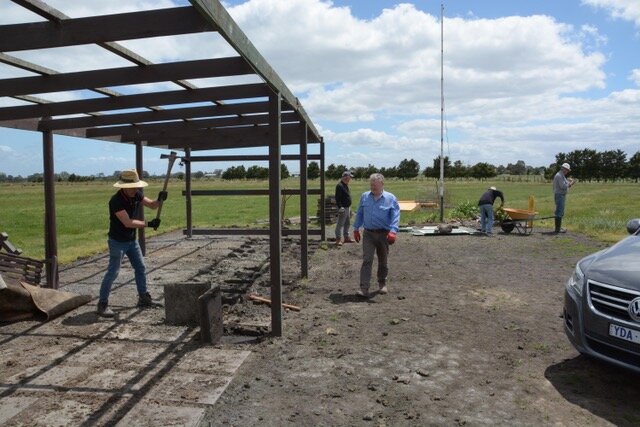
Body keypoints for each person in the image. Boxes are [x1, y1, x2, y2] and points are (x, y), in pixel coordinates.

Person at [97, 169, 167, 318]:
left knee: (140, 267)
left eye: (137, 186)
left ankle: (143, 298)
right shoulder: (116, 201)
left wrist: (160, 199)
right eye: (133, 187)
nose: (136, 189)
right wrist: (148, 224)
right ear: (124, 187)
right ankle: (102, 304)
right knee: (113, 272)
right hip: (117, 242)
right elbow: (128, 222)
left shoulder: (136, 194)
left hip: (131, 241)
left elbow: (153, 205)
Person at [352, 173, 401, 298]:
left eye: (375, 184)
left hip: (384, 234)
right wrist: (356, 228)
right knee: (367, 260)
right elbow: (360, 213)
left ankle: (382, 283)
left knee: (383, 260)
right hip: (368, 233)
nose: (373, 187)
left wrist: (393, 231)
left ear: (382, 184)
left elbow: (395, 216)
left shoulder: (390, 198)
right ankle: (364, 288)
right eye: (371, 184)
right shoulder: (364, 197)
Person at [553, 162, 575, 233]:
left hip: (560, 195)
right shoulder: (559, 176)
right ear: (564, 169)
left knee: (560, 212)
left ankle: (558, 228)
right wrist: (571, 183)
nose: (567, 172)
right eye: (567, 170)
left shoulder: (561, 175)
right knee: (559, 212)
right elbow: (563, 186)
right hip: (560, 195)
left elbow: (565, 182)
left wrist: (569, 181)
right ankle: (557, 229)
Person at [334, 170, 354, 246]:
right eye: (349, 177)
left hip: (347, 207)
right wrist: (340, 207)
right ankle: (338, 239)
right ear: (345, 177)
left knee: (347, 223)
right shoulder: (339, 186)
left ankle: (346, 237)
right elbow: (337, 198)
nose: (350, 179)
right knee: (340, 224)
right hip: (343, 208)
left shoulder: (345, 185)